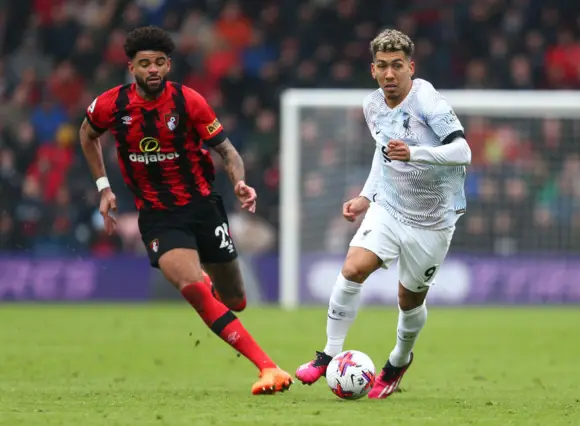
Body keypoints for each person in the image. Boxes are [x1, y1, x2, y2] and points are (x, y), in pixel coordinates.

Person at [79, 26, 292, 395]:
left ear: (169, 65)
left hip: (203, 207)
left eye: (160, 62)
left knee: (234, 299)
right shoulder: (110, 105)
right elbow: (86, 134)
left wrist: (240, 182)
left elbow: (227, 151)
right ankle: (268, 367)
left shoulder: (188, 101)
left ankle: (212, 287)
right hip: (159, 216)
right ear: (132, 67)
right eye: (145, 63)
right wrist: (103, 188)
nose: (153, 70)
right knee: (191, 287)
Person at [295, 29, 472, 399]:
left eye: (396, 66)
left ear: (410, 66)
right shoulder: (372, 105)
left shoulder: (428, 101)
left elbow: (463, 151)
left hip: (434, 220)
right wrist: (365, 196)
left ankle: (399, 359)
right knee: (353, 268)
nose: (390, 74)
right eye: (382, 66)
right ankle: (328, 354)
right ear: (372, 69)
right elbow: (383, 151)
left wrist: (415, 153)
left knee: (410, 301)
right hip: (389, 206)